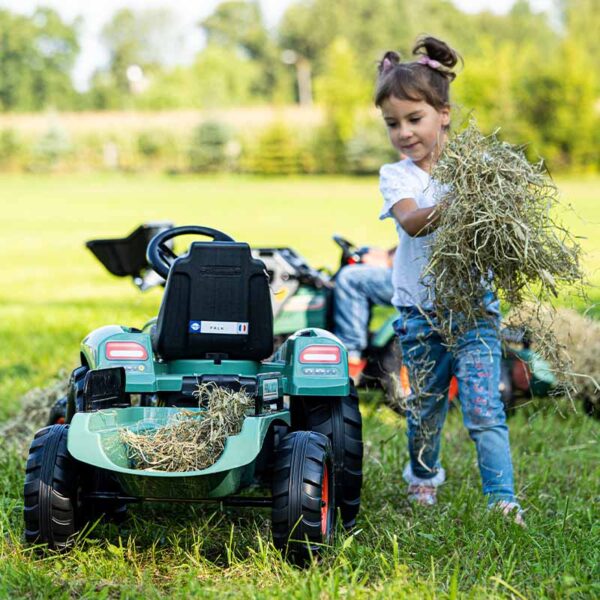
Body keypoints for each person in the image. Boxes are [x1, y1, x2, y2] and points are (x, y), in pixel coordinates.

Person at [375, 36, 524, 524]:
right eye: (392, 123)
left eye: (413, 119)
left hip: (474, 310)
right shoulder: (396, 177)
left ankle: (502, 499)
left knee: (484, 409)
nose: (403, 133)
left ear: (443, 113)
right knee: (424, 408)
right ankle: (423, 481)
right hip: (419, 314)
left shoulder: (476, 170)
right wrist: (463, 202)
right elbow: (413, 222)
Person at [333, 247, 394, 381]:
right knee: (363, 252)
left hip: (416, 277)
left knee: (349, 278)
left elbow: (417, 234)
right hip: (414, 268)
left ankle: (350, 358)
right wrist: (387, 254)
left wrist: (390, 261)